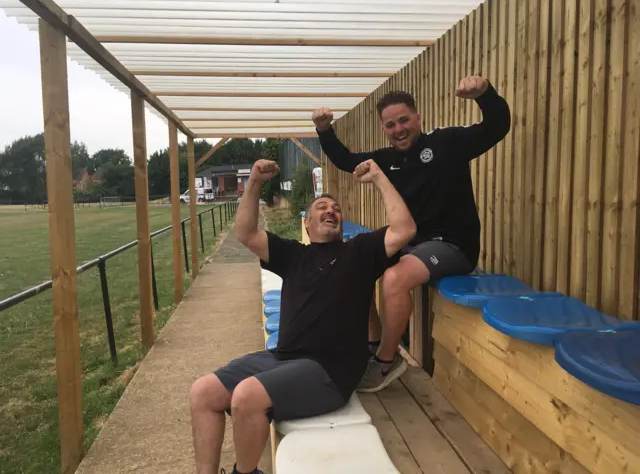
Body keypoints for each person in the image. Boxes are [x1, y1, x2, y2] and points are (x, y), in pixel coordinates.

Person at [189, 158, 416, 474]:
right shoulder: (292, 254)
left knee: (246, 396)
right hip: (284, 358)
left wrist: (378, 175)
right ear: (307, 224)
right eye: (321, 207)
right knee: (203, 392)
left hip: (330, 371)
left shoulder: (361, 252)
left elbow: (405, 228)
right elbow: (244, 232)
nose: (330, 210)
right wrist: (254, 180)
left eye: (335, 208)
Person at [312, 75, 511, 392]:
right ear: (384, 129)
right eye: (390, 125)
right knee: (354, 262)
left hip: (453, 246)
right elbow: (346, 160)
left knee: (394, 278)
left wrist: (485, 95)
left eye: (404, 120)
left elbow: (496, 127)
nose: (398, 129)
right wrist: (324, 130)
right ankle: (372, 342)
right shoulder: (387, 159)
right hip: (412, 244)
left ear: (418, 117)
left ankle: (387, 362)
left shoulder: (447, 143)